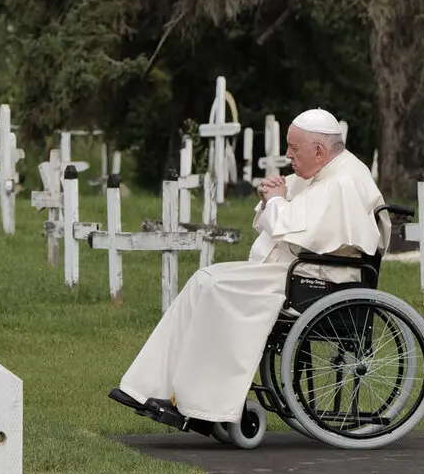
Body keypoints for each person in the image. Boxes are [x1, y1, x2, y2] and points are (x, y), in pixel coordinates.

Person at [111, 108, 385, 425]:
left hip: (318, 280)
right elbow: (293, 206)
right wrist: (271, 193)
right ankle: (148, 387)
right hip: (302, 272)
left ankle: (203, 406)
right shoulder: (330, 171)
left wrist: (278, 201)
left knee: (217, 287)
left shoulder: (343, 181)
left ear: (319, 151)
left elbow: (294, 230)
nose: (287, 155)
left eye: (293, 148)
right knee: (205, 279)